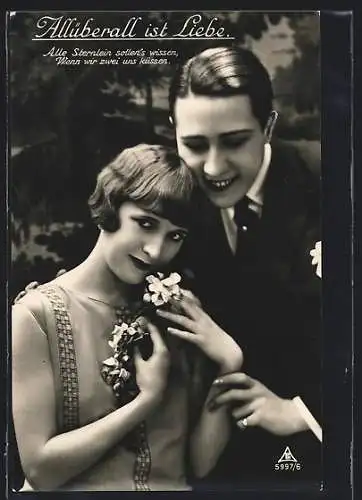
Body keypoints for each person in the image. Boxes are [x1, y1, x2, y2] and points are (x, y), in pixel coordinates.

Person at [12, 144, 243, 491]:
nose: (156, 250)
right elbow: (41, 471)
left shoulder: (179, 313)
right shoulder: (35, 315)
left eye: (175, 236)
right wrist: (146, 401)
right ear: (111, 207)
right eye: (145, 223)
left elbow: (199, 463)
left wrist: (229, 365)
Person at [164, 46, 322, 488]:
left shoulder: (334, 181)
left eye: (234, 142)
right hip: (211, 458)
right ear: (174, 130)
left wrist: (303, 411)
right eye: (194, 145)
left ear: (268, 126)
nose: (213, 167)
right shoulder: (168, 198)